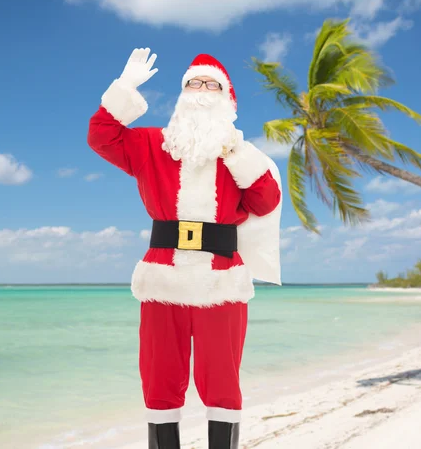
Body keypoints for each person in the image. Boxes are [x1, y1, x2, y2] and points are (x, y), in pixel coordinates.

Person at [87, 48, 282, 449]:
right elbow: (101, 137)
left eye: (212, 84)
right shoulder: (151, 144)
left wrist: (237, 153)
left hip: (221, 280)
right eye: (193, 83)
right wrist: (125, 88)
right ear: (181, 94)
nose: (201, 91)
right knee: (159, 380)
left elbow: (266, 201)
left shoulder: (240, 155)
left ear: (228, 99)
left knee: (224, 383)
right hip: (164, 277)